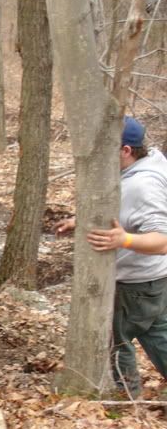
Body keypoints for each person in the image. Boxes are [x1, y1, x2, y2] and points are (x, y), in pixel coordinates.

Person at [55, 116, 167, 398]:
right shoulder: (150, 163)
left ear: (126, 150)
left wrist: (124, 240)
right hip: (155, 280)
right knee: (157, 335)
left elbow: (162, 241)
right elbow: (124, 210)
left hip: (135, 284)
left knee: (116, 342)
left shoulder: (143, 185)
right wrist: (82, 220)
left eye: (105, 149)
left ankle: (125, 398)